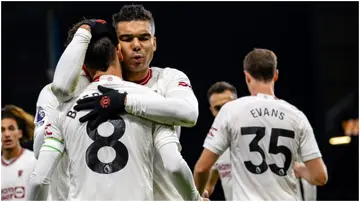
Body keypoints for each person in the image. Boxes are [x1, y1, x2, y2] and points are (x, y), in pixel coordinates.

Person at [27, 19, 202, 201]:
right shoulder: (151, 97)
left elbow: (38, 177)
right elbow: (174, 164)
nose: (135, 46)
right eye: (127, 39)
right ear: (118, 50)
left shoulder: (62, 108)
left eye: (143, 37)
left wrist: (125, 102)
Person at [194, 48, 328, 200]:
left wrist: (194, 197)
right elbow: (320, 176)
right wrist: (299, 170)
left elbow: (201, 168)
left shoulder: (231, 112)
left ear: (247, 77)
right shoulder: (296, 116)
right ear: (276, 75)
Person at [32, 20, 92, 200]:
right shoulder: (50, 93)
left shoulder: (115, 87)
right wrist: (59, 120)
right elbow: (38, 150)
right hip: (65, 196)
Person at [200, 81, 237, 201]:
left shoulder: (258, 134)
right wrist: (203, 194)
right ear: (211, 110)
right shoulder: (215, 142)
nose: (223, 112)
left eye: (227, 106)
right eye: (218, 108)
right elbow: (209, 182)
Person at [1, 105, 36, 201]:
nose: (7, 134)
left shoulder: (34, 162)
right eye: (2, 130)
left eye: (11, 128)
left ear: (19, 133)